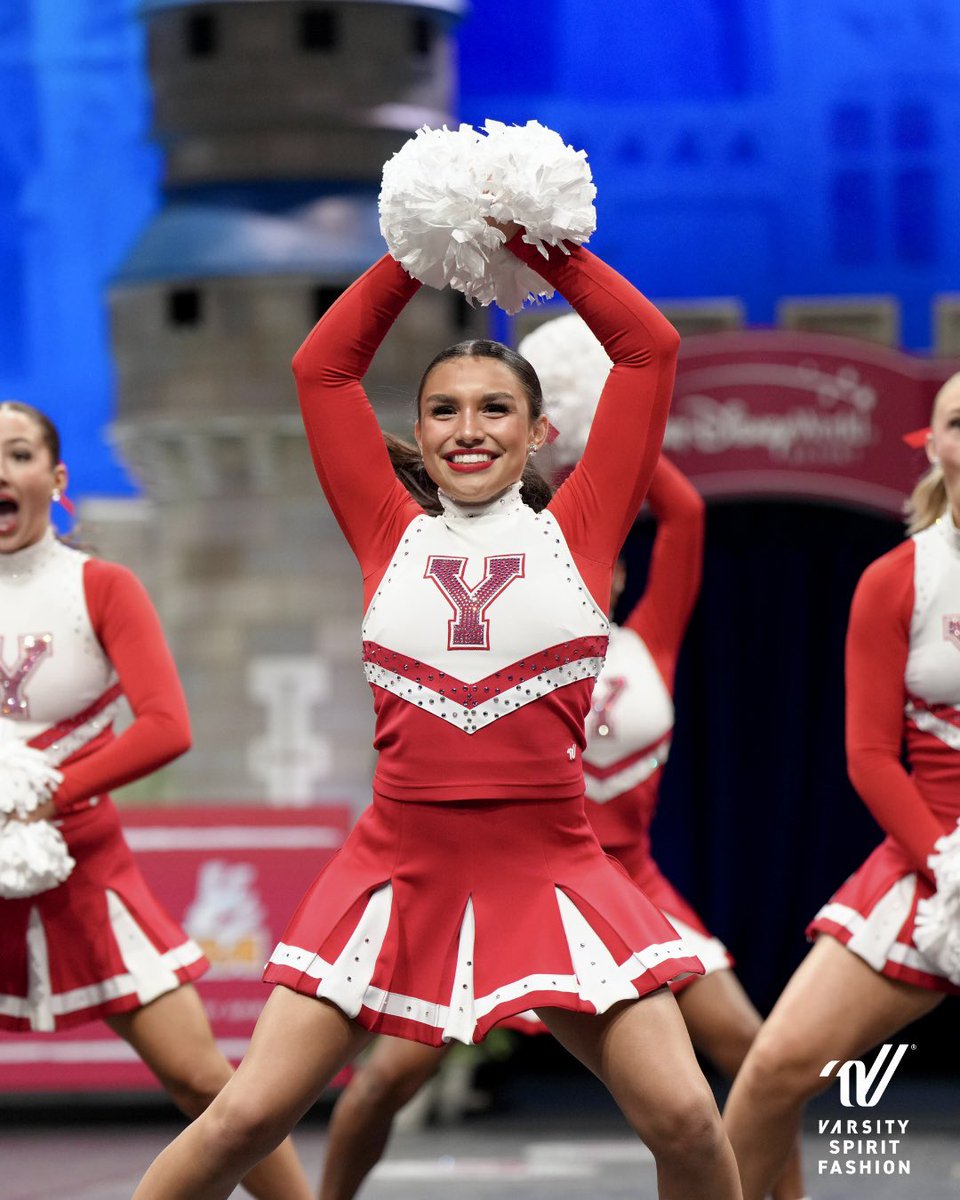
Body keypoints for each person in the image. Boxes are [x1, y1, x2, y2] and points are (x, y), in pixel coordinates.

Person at [132, 220, 744, 1199]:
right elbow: (322, 368)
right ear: (417, 434)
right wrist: (426, 244)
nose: (469, 429)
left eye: (496, 408)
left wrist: (537, 248)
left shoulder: (583, 532)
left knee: (686, 1120)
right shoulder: (386, 531)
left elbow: (648, 349)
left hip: (551, 867)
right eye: (445, 410)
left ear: (539, 432)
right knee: (245, 1117)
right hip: (395, 870)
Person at [315, 454, 804, 1200]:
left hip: (624, 883)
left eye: (594, 555)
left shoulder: (651, 644)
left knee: (753, 1052)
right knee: (389, 1078)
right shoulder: (501, 638)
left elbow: (686, 515)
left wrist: (583, 433)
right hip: (509, 874)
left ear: (616, 570)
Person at [0, 401, 313, 1200]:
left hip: (86, 871)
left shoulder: (99, 586)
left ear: (56, 478)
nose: (1, 472)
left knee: (205, 1082)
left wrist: (46, 795)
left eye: (18, 454)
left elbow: (167, 726)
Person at [722, 373, 960, 1199]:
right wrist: (949, 865)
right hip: (926, 863)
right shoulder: (898, 579)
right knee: (772, 1074)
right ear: (933, 446)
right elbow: (869, 756)